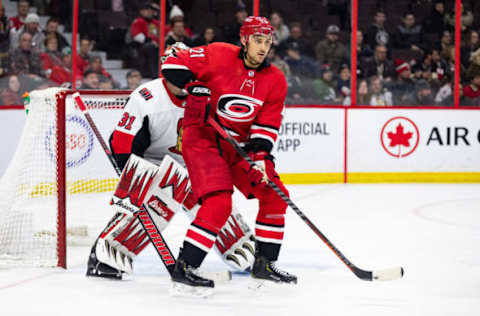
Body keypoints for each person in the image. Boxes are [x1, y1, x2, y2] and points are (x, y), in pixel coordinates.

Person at [86, 43, 255, 280]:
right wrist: (134, 178)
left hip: (191, 163)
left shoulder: (206, 94)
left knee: (215, 196)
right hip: (154, 164)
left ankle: (239, 246)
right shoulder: (147, 97)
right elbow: (122, 141)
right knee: (164, 195)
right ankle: (108, 253)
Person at [162, 16, 297, 293]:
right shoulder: (217, 53)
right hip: (204, 139)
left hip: (240, 148)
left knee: (274, 193)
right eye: (258, 41)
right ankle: (185, 266)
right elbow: (172, 65)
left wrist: (260, 157)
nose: (263, 48)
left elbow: (266, 125)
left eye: (268, 42)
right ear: (245, 40)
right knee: (219, 204)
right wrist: (192, 85)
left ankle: (266, 264)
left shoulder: (275, 79)